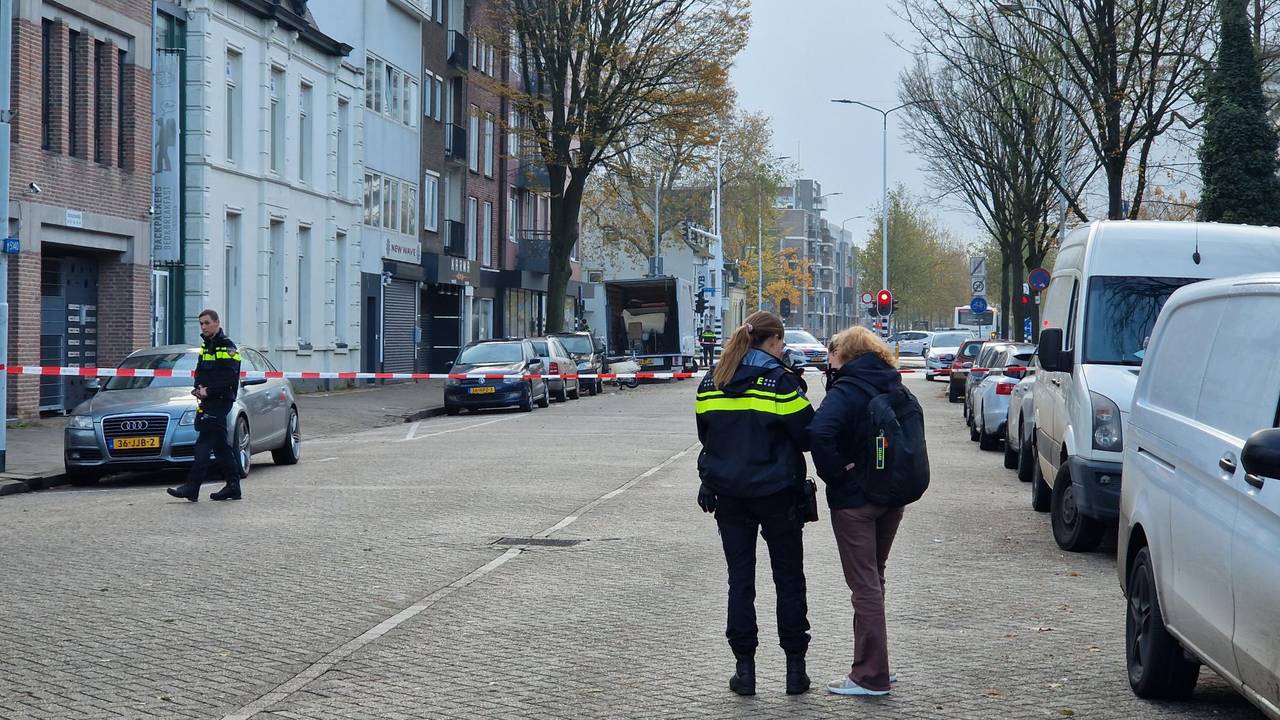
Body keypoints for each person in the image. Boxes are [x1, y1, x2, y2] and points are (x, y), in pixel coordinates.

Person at [694, 311, 815, 697]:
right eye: (781, 344)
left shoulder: (712, 381)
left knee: (740, 583)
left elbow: (706, 435)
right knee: (789, 581)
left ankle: (744, 673)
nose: (784, 350)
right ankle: (795, 672)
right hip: (777, 494)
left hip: (729, 496)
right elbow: (807, 434)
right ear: (773, 341)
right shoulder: (780, 383)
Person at [809, 326, 906, 696]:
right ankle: (876, 663)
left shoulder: (847, 389)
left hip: (856, 503)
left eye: (831, 355)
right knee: (875, 580)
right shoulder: (892, 382)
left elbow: (819, 433)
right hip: (892, 496)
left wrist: (838, 475)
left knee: (864, 585)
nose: (828, 363)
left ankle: (870, 676)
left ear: (844, 355)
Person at [167, 309, 244, 502]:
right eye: (201, 323)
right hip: (208, 401)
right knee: (220, 447)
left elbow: (228, 377)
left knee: (203, 443)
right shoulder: (206, 347)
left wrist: (208, 391)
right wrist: (197, 388)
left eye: (207, 323)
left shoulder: (227, 347)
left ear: (217, 323)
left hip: (220, 401)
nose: (203, 326)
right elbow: (200, 371)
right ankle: (233, 487)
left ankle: (192, 487)